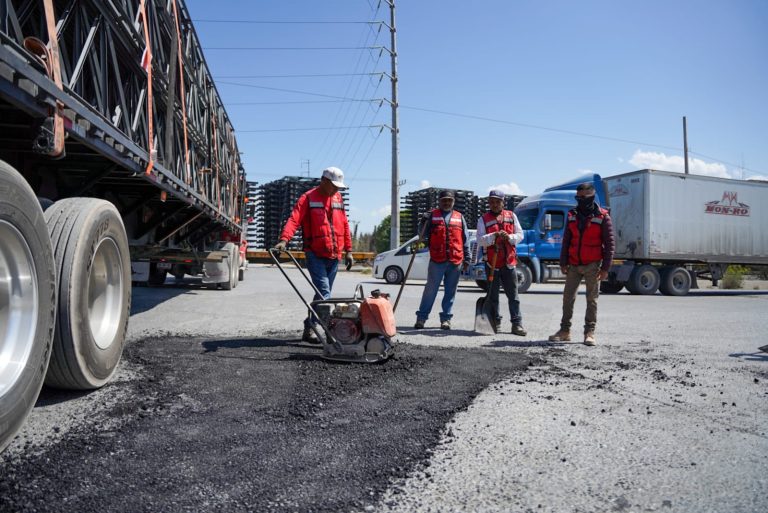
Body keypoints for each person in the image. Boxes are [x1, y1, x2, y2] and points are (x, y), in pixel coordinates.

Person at [273, 167, 354, 343]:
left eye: (338, 187)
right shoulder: (308, 198)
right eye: (333, 186)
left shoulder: (337, 198)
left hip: (334, 255)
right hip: (315, 254)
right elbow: (294, 219)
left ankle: (310, 325)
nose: (336, 190)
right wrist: (284, 240)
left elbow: (344, 224)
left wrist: (349, 250)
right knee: (324, 294)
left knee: (321, 296)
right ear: (323, 180)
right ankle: (329, 334)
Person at [549, 182, 615, 346]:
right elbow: (566, 241)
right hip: (573, 264)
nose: (580, 200)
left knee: (591, 300)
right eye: (578, 197)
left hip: (593, 264)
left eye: (583, 197)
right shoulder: (572, 214)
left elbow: (610, 244)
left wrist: (605, 268)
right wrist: (563, 262)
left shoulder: (603, 216)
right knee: (567, 298)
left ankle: (589, 332)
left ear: (592, 197)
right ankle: (565, 331)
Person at [414, 189, 471, 330]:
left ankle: (446, 319)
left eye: (449, 200)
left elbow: (465, 240)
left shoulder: (459, 217)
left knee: (450, 292)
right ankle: (421, 319)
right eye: (444, 200)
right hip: (437, 260)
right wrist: (423, 221)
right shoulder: (432, 216)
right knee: (430, 291)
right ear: (439, 201)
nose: (446, 202)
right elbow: (421, 235)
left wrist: (467, 258)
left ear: (453, 201)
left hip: (455, 260)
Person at [476, 189, 527, 336]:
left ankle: (517, 324)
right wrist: (494, 235)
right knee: (493, 296)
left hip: (509, 262)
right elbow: (480, 240)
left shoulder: (511, 216)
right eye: (491, 202)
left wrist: (509, 237)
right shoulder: (483, 219)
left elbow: (520, 235)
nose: (494, 204)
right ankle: (495, 322)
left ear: (503, 202)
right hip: (491, 263)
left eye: (497, 201)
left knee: (513, 296)